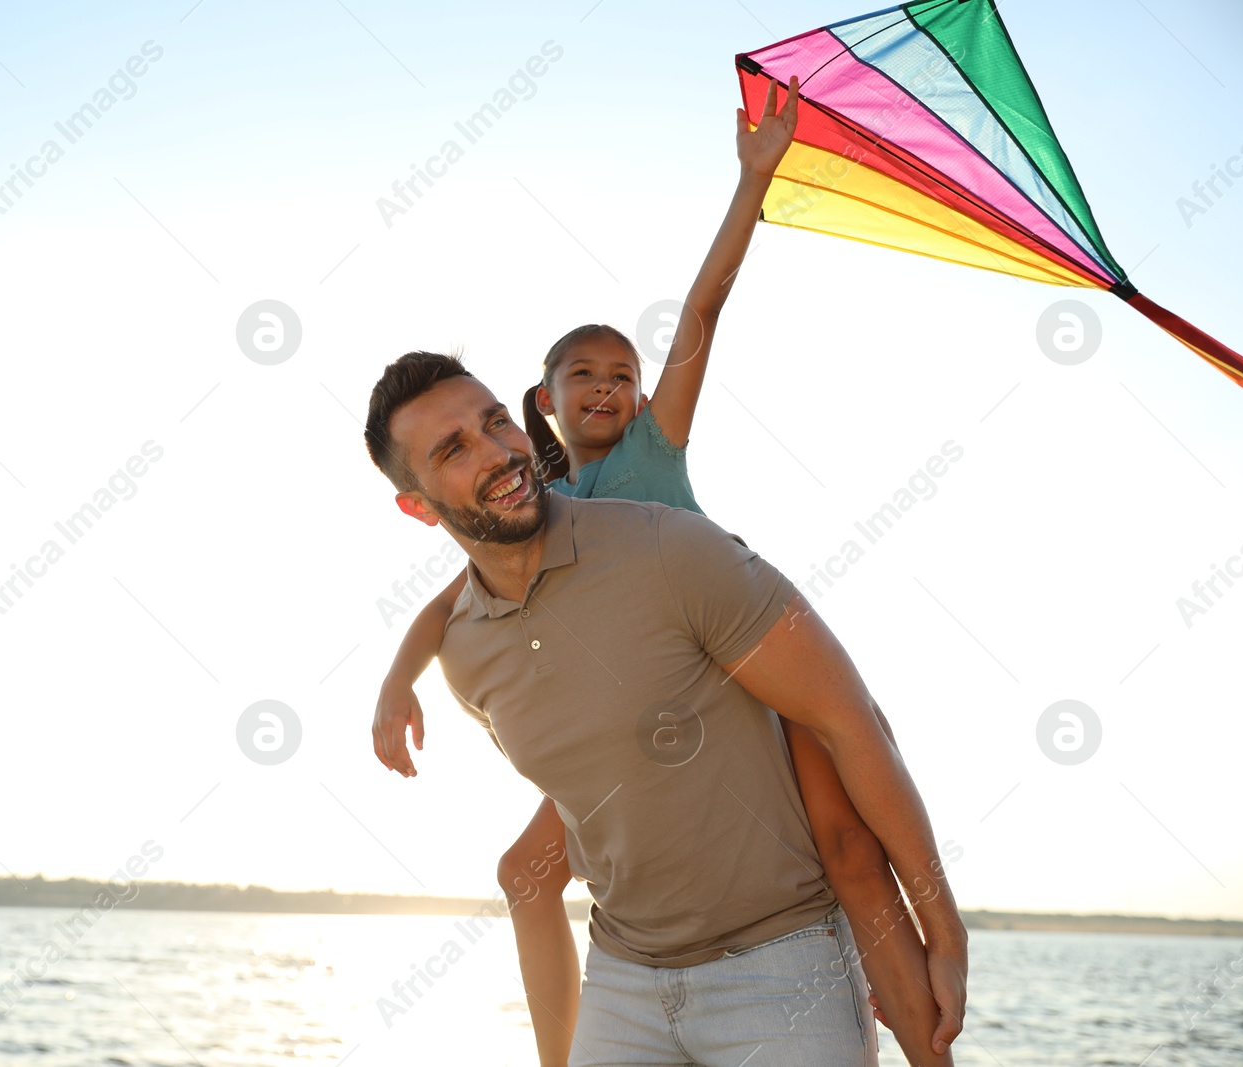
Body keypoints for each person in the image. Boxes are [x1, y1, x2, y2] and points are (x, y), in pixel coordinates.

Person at [370, 80, 961, 1066]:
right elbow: (450, 596)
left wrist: (753, 180)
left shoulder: (655, 448)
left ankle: (930, 1048)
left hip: (736, 674)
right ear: (545, 400)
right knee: (527, 870)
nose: (606, 386)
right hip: (641, 730)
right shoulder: (545, 497)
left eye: (621, 373)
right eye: (581, 375)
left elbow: (703, 304)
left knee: (849, 858)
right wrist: (396, 678)